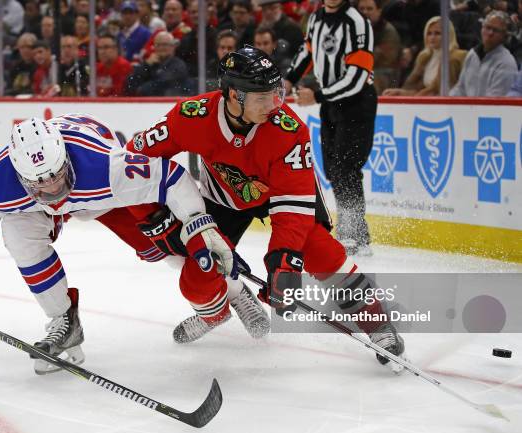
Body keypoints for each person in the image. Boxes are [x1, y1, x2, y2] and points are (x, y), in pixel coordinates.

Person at [127, 46, 405, 366]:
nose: (275, 105)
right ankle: (219, 309)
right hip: (222, 200)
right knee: (196, 281)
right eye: (262, 97)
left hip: (281, 197)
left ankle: (377, 322)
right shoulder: (191, 117)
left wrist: (283, 265)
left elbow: (293, 208)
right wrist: (153, 217)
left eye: (276, 93)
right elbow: (134, 160)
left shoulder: (289, 131)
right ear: (233, 95)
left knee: (323, 253)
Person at [0, 113, 238, 375]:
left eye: (55, 176)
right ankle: (63, 319)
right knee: (18, 236)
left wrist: (198, 224)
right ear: (19, 174)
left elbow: (170, 178)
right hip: (37, 208)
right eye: (39, 182)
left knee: (162, 247)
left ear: (64, 157)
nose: (52, 188)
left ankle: (230, 288)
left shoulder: (105, 167)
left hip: (98, 197)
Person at [286, 0, 377, 256]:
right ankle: (357, 232)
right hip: (331, 104)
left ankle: (352, 233)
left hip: (357, 103)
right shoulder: (316, 19)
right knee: (333, 168)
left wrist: (317, 96)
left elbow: (358, 76)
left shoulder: (357, 22)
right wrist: (288, 78)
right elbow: (307, 53)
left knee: (346, 167)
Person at [382, 17, 466, 96]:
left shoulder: (455, 57)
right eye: (429, 33)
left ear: (448, 35)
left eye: (437, 33)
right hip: (426, 103)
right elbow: (419, 89)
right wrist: (400, 92)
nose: (432, 37)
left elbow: (436, 91)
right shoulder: (425, 57)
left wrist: (410, 96)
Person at [449, 10, 518, 97]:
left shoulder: (507, 63)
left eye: (496, 30)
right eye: (488, 27)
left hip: (490, 110)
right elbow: (461, 88)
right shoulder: (472, 54)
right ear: (482, 28)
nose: (490, 33)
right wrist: (447, 103)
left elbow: (497, 99)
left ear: (505, 36)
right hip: (468, 108)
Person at [125, 31, 190, 95]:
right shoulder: (150, 63)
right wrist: (146, 65)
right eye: (158, 45)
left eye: (165, 44)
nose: (161, 47)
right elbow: (130, 83)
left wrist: (141, 89)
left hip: (170, 102)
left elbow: (163, 83)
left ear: (172, 46)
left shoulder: (178, 65)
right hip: (147, 103)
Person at [357, 0, 402, 94]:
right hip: (361, 69)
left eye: (369, 9)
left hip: (387, 75)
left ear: (379, 11)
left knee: (369, 78)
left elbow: (380, 59)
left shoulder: (388, 31)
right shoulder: (353, 29)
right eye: (361, 9)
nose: (365, 12)